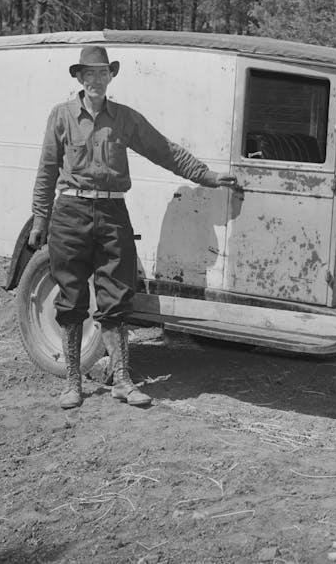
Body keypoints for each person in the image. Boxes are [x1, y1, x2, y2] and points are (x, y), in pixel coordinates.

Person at [28, 44, 239, 410]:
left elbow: (164, 150)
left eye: (102, 73)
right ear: (79, 78)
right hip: (71, 213)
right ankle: (73, 383)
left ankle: (123, 380)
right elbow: (47, 170)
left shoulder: (124, 118)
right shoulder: (61, 116)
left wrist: (206, 176)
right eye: (89, 74)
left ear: (111, 77)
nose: (96, 80)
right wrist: (40, 218)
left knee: (117, 296)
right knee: (72, 297)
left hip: (112, 214)